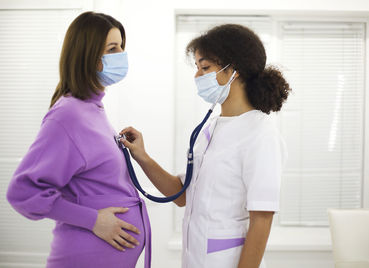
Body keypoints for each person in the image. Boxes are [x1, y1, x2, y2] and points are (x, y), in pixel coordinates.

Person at [120, 24, 291, 268]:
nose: (197, 76)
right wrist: (142, 157)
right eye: (197, 68)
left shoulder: (260, 133)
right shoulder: (210, 129)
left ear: (235, 70)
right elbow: (182, 196)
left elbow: (262, 219)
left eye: (205, 67)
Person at [6, 11, 151, 268]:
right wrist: (93, 220)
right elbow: (23, 192)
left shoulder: (92, 109)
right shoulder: (68, 115)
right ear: (90, 55)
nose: (122, 55)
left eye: (121, 47)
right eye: (113, 48)